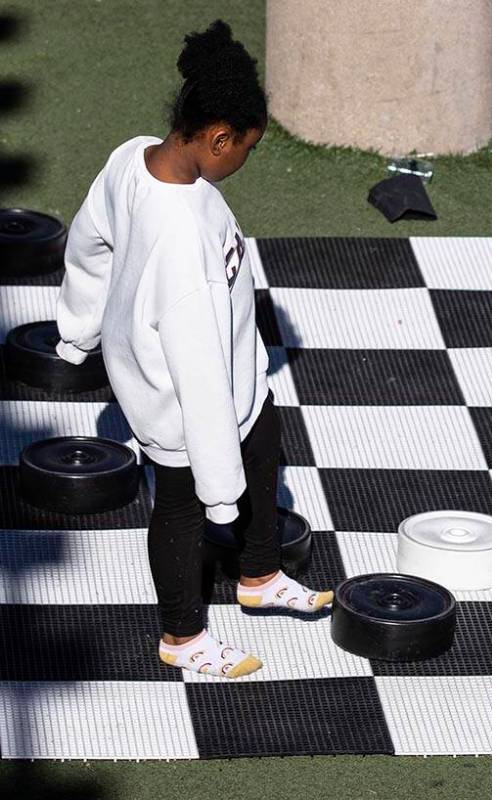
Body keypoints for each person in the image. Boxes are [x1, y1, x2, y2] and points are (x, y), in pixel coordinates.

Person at [55, 20, 331, 678]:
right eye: (247, 151)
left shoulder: (135, 156)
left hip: (237, 376)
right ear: (218, 138)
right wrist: (219, 488)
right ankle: (183, 635)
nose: (244, 164)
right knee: (183, 508)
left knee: (265, 445)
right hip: (178, 397)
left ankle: (259, 575)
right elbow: (199, 375)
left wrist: (76, 327)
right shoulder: (182, 244)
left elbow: (89, 242)